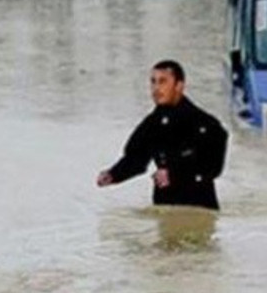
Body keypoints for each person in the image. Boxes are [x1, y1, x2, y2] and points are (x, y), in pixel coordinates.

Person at [97, 59, 229, 209]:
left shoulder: (204, 124)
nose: (156, 88)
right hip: (164, 207)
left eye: (163, 82)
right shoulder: (152, 123)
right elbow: (136, 159)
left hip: (197, 208)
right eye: (153, 82)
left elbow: (212, 166)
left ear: (179, 86)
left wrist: (173, 174)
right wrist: (114, 174)